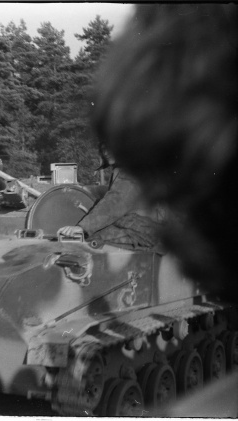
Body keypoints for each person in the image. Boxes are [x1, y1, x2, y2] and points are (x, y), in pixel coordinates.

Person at [91, 4, 237, 416]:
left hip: (148, 251)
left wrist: (81, 231)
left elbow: (115, 204)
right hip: (160, 252)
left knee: (109, 238)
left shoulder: (132, 179)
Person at [57, 147, 161, 251]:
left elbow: (114, 202)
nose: (106, 152)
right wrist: (87, 189)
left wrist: (82, 227)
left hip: (142, 232)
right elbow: (114, 192)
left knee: (90, 239)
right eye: (103, 148)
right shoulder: (125, 168)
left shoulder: (131, 171)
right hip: (137, 227)